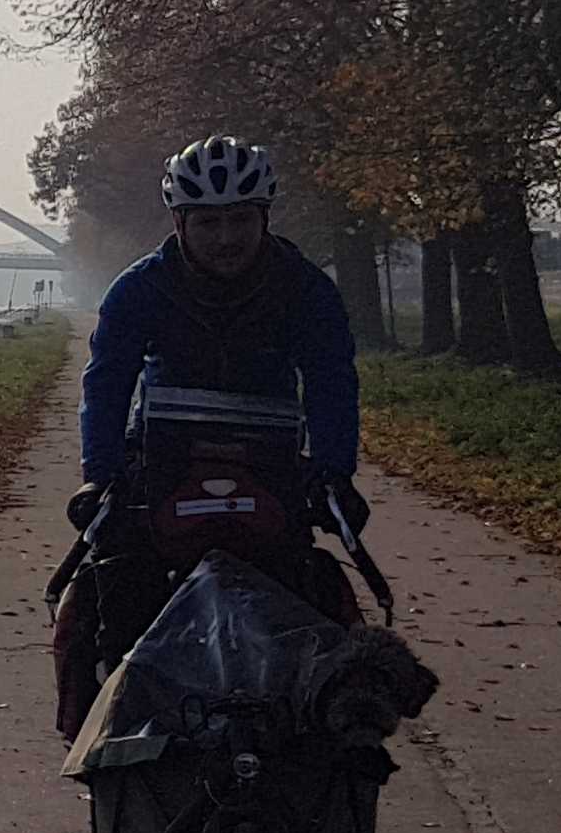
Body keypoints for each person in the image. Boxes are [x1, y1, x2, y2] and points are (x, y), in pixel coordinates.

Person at [53, 134, 369, 730]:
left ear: (264, 217)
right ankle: (98, 734)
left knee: (318, 601)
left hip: (270, 470)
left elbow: (331, 381)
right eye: (208, 223)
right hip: (164, 467)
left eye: (240, 221)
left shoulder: (305, 289)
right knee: (107, 597)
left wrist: (334, 472)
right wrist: (100, 478)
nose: (225, 238)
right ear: (179, 221)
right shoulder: (140, 289)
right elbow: (107, 383)